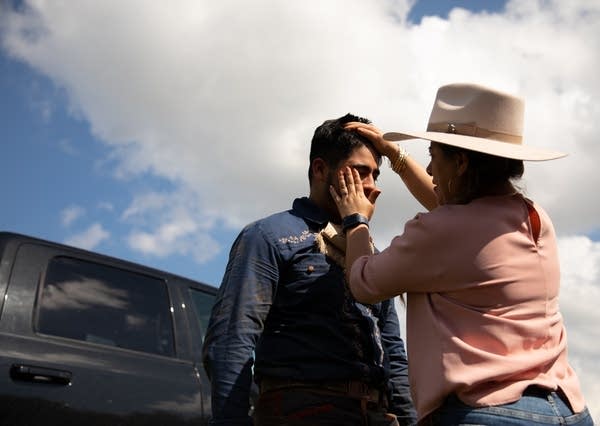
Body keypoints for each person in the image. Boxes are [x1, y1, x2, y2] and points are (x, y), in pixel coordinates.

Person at [330, 83, 594, 425]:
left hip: (485, 413)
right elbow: (453, 214)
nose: (428, 170)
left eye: (433, 157)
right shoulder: (534, 217)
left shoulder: (441, 230)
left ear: (462, 163)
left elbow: (364, 282)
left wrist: (355, 220)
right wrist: (395, 156)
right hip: (567, 409)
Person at [202, 113, 417, 426]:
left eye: (376, 175)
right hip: (302, 410)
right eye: (360, 172)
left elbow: (394, 354)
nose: (372, 187)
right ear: (320, 169)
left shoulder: (370, 254)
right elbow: (231, 340)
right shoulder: (269, 236)